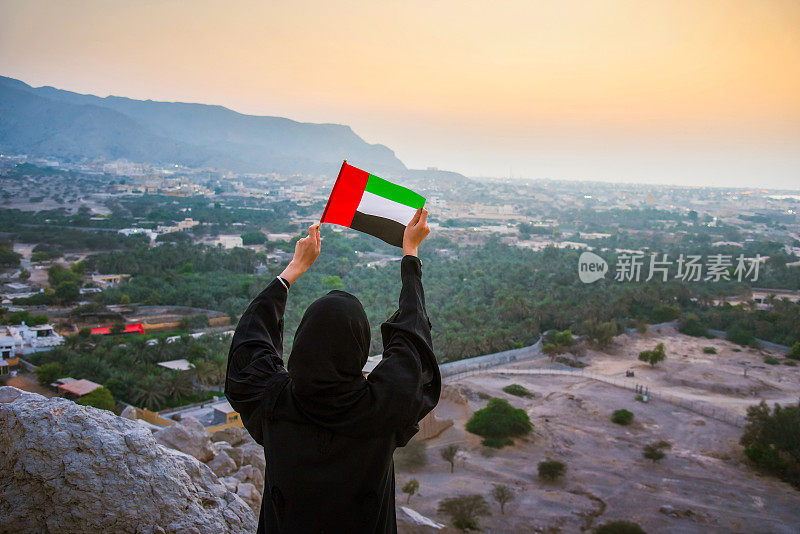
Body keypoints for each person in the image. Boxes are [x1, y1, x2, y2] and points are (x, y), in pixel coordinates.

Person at [225, 207, 441, 533]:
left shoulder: (272, 401)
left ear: (301, 343)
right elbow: (412, 338)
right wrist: (410, 255)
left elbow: (249, 343)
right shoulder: (383, 408)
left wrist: (293, 269)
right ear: (359, 349)